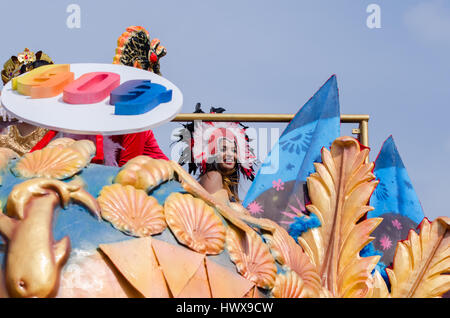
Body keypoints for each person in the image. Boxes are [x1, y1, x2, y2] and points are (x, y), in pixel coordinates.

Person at [175, 103, 257, 203]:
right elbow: (212, 214)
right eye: (223, 149)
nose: (230, 154)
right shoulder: (213, 176)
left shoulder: (222, 180)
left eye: (234, 150)